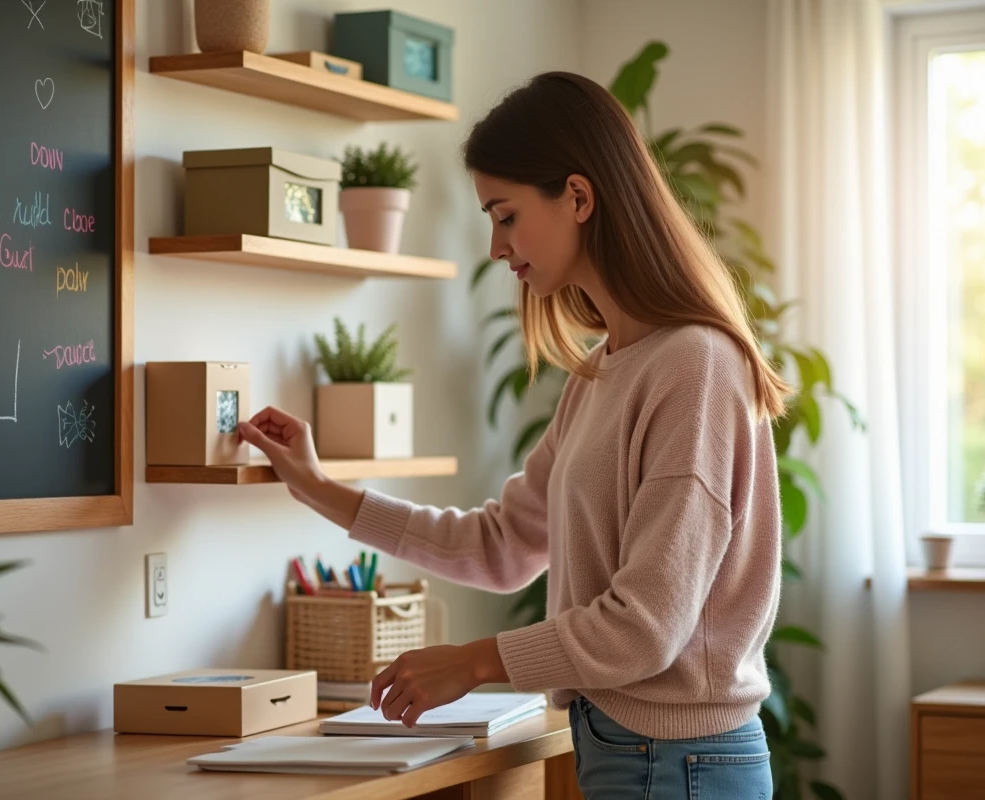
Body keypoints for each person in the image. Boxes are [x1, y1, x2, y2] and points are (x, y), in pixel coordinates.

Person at [237, 71, 790, 799]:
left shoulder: (695, 366)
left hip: (679, 762)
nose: (497, 247)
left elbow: (645, 626)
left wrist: (470, 663)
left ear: (580, 198)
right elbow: (499, 546)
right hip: (634, 753)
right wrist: (319, 490)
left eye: (505, 215)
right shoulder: (603, 374)